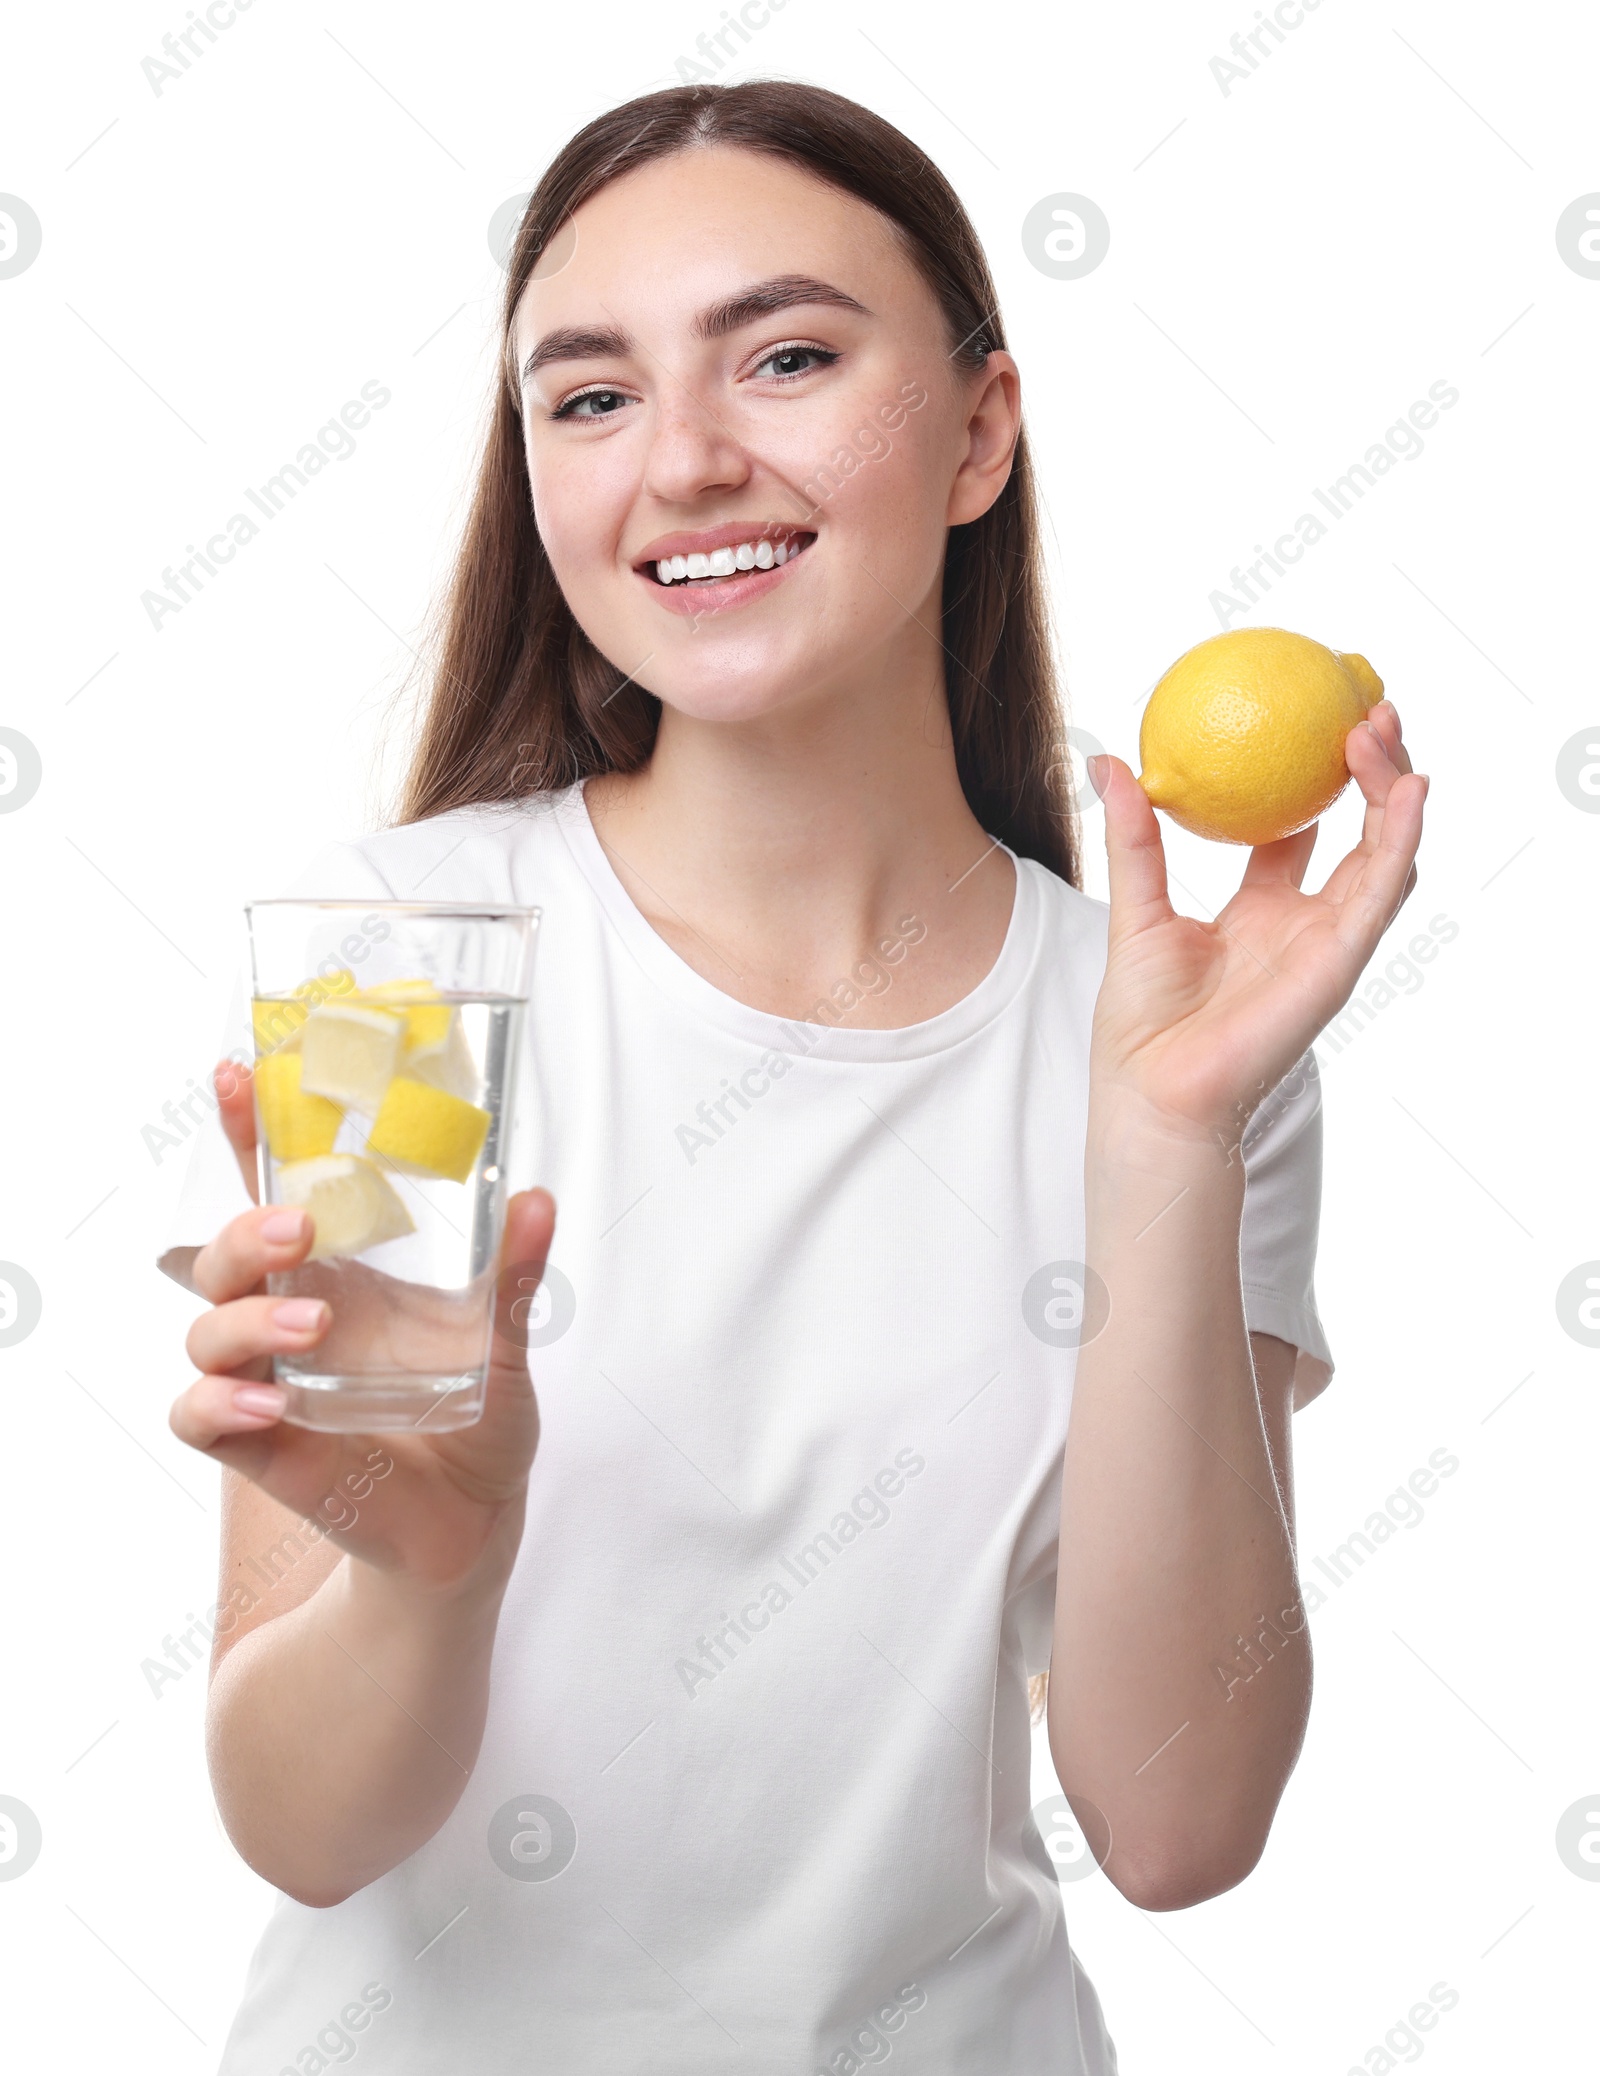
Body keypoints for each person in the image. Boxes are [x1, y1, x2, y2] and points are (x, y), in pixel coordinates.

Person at [160, 80, 1426, 2074]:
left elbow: (1174, 1827)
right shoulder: (398, 974)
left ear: (976, 433)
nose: (683, 459)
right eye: (586, 397)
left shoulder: (1172, 1037)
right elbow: (309, 1833)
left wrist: (1167, 1139)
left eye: (787, 357)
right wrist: (435, 1564)